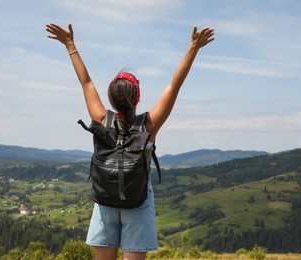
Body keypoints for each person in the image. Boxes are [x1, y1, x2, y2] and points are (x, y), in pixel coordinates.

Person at [45, 22, 215, 260]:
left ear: (110, 99)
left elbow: (86, 83)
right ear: (138, 97)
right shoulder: (148, 126)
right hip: (137, 203)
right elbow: (174, 86)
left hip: (105, 203)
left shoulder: (101, 119)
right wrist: (193, 48)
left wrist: (70, 45)